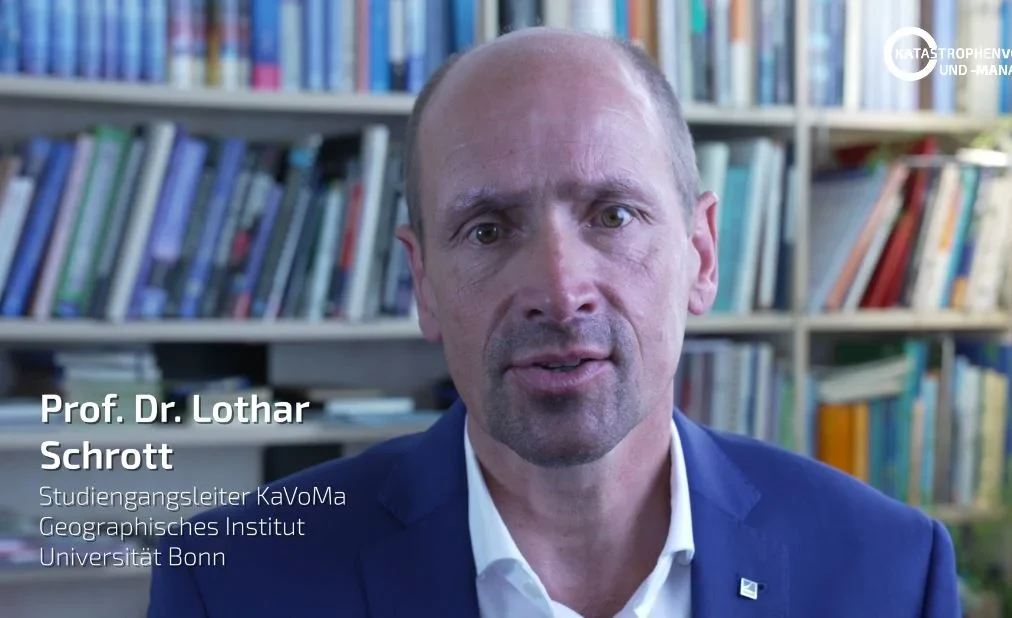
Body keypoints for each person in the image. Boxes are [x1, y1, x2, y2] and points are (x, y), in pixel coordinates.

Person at [147, 27, 961, 618]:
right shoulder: (234, 583)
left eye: (612, 215)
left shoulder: (886, 573)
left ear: (701, 255)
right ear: (423, 281)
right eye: (487, 230)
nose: (559, 290)